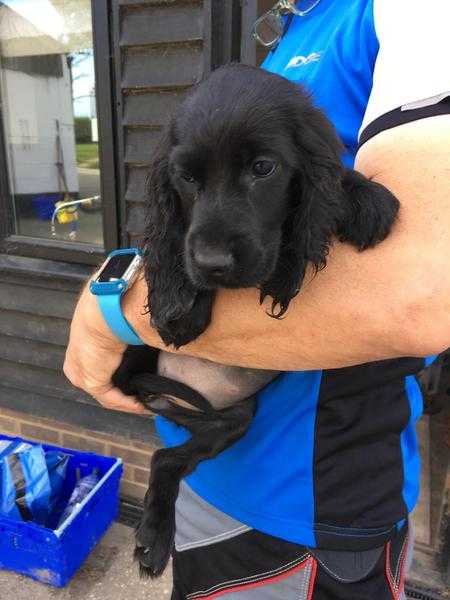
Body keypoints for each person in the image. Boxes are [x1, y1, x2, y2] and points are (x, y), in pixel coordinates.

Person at [64, 0, 450, 597]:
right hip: (208, 469)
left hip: (307, 514)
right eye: (190, 178)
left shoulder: (413, 11)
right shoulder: (290, 30)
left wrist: (107, 310)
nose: (214, 254)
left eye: (261, 167)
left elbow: (425, 293)